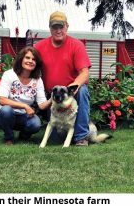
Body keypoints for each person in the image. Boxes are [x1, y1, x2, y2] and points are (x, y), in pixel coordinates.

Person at [34, 11, 92, 146]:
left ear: (67, 26)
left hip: (71, 94)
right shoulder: (39, 47)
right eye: (55, 27)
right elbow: (30, 67)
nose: (58, 30)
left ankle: (81, 136)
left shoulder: (77, 45)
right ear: (50, 28)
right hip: (53, 95)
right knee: (55, 139)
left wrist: (74, 85)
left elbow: (84, 73)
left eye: (61, 26)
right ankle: (26, 127)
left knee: (83, 90)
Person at [0, 46, 51, 145]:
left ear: (36, 63)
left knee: (36, 124)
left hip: (24, 116)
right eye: (27, 58)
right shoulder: (9, 74)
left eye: (34, 59)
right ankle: (9, 137)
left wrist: (54, 98)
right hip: (5, 114)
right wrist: (25, 106)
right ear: (21, 59)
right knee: (6, 110)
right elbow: (2, 100)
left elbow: (42, 105)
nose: (30, 61)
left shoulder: (37, 80)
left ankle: (24, 135)